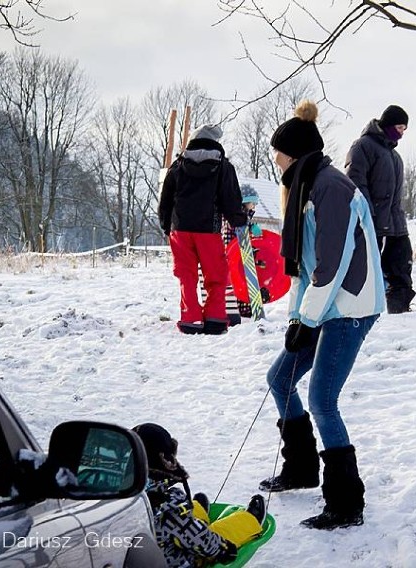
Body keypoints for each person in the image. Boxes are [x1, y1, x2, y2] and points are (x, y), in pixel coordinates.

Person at [259, 100, 385, 530]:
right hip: (325, 305)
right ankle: (300, 468)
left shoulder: (331, 188)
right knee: (280, 379)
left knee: (322, 400)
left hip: (351, 307)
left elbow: (331, 265)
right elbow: (304, 268)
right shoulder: (304, 190)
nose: (273, 158)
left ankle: (346, 503)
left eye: (277, 151)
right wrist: (298, 319)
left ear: (292, 152)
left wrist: (308, 319)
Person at [132, 423, 266, 567]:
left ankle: (195, 514)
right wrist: (224, 548)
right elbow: (202, 541)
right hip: (178, 562)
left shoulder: (123, 495)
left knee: (181, 520)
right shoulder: (166, 507)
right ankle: (249, 520)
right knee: (213, 532)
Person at [158, 124, 248, 335]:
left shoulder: (178, 165)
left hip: (180, 230)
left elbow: (166, 200)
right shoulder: (223, 166)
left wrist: (165, 225)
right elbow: (230, 198)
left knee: (186, 276)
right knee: (216, 275)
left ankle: (190, 319)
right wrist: (239, 220)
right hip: (209, 229)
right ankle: (215, 319)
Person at [345, 104, 416, 314]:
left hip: (395, 223)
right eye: (400, 127)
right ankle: (361, 310)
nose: (402, 133)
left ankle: (400, 310)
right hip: (373, 223)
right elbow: (356, 183)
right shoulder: (363, 146)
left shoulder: (395, 157)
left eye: (405, 129)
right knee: (367, 271)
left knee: (402, 266)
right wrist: (369, 216)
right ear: (388, 124)